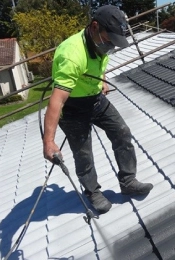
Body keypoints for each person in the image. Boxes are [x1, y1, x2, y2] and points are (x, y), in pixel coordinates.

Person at [43, 5, 153, 214]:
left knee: (122, 133)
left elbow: (98, 64)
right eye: (110, 38)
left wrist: (101, 80)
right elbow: (56, 101)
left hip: (96, 100)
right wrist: (48, 141)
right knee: (83, 153)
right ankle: (92, 192)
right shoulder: (72, 55)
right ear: (95, 27)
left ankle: (128, 181)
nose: (112, 44)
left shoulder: (101, 43)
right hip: (73, 109)